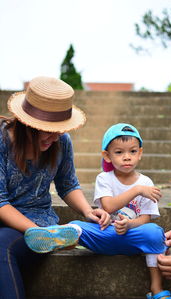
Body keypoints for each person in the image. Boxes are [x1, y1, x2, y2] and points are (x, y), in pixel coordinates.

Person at [27, 123, 171, 299]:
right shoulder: (104, 178)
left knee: (156, 234)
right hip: (104, 234)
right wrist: (137, 190)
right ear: (107, 156)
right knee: (77, 226)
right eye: (119, 152)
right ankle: (56, 237)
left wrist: (129, 225)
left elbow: (145, 219)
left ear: (140, 153)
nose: (127, 157)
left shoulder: (146, 183)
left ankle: (156, 289)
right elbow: (109, 206)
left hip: (132, 237)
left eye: (132, 151)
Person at [0, 76, 110, 299]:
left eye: (59, 129)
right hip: (14, 219)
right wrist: (37, 232)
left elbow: (67, 184)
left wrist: (88, 211)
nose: (55, 136)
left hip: (37, 224)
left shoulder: (62, 142)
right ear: (26, 123)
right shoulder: (2, 140)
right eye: (47, 129)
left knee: (2, 249)